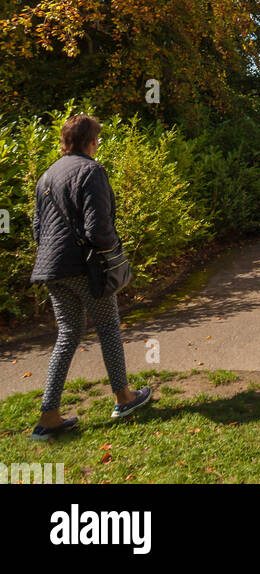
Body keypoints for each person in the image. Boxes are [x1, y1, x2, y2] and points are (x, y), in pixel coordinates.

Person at [30, 112, 152, 439]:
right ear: (91, 141)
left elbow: (37, 230)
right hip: (85, 268)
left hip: (51, 270)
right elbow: (98, 228)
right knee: (109, 326)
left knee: (68, 334)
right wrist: (113, 253)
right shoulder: (92, 170)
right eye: (97, 138)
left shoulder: (46, 176)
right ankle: (124, 398)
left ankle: (49, 416)